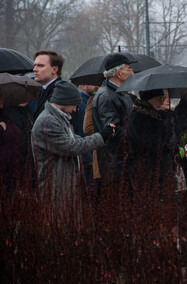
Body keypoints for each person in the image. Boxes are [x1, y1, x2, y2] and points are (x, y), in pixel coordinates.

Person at [31, 80, 115, 231]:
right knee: (59, 233)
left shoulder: (60, 119)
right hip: (56, 189)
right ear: (64, 101)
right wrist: (102, 136)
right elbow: (72, 147)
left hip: (66, 187)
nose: (76, 109)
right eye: (74, 104)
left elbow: (76, 139)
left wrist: (102, 134)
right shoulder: (48, 121)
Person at [126, 89, 178, 241]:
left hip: (158, 169)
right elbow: (150, 143)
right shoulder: (139, 117)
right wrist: (165, 129)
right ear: (149, 99)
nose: (162, 101)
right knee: (146, 206)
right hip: (145, 170)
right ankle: (146, 237)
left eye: (163, 98)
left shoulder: (155, 115)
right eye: (159, 98)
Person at [92, 53, 136, 184]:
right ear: (118, 73)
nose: (132, 73)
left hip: (123, 160)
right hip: (114, 163)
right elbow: (113, 131)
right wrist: (137, 137)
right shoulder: (106, 96)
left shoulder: (120, 93)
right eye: (129, 69)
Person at [32, 50, 64, 120]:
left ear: (54, 69)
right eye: (34, 65)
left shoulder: (60, 93)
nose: (34, 69)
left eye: (40, 66)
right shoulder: (41, 90)